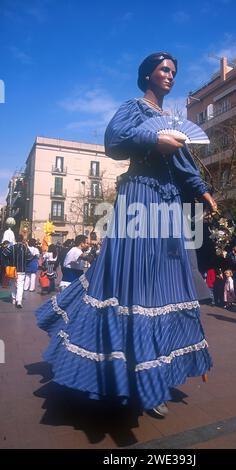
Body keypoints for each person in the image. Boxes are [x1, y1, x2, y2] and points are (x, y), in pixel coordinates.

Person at [35, 52, 217, 418]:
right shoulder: (133, 107)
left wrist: (202, 190)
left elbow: (183, 165)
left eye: (174, 72)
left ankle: (156, 373)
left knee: (168, 285)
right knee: (135, 286)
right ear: (147, 74)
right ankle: (127, 376)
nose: (170, 75)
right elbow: (114, 141)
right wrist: (154, 142)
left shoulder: (171, 119)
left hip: (168, 205)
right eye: (164, 69)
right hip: (141, 198)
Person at [3, 234, 32, 308]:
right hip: (21, 269)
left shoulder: (11, 247)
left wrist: (8, 262)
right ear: (22, 240)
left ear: (15, 239)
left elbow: (4, 254)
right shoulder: (25, 248)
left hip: (12, 269)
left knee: (13, 284)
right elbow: (30, 257)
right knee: (20, 285)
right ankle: (19, 301)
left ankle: (13, 298)